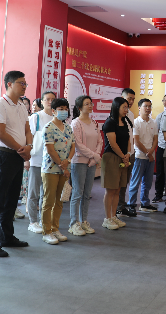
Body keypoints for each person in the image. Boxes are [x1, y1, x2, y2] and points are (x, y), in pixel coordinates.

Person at [0, 71, 32, 258]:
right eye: (21, 83)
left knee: (12, 199)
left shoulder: (21, 105)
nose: (24, 86)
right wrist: (22, 149)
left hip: (18, 155)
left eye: (25, 83)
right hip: (4, 155)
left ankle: (7, 237)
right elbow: (0, 133)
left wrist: (28, 146)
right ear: (9, 84)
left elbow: (27, 130)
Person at [41, 98, 75, 245]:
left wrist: (68, 161)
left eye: (66, 109)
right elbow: (50, 150)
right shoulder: (48, 127)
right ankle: (46, 231)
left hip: (65, 168)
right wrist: (62, 165)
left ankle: (55, 228)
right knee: (49, 201)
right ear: (54, 111)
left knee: (59, 201)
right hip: (51, 169)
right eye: (61, 109)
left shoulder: (68, 127)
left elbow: (73, 146)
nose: (64, 111)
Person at [69, 95, 101, 236]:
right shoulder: (75, 123)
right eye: (87, 104)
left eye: (91, 103)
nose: (90, 105)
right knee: (77, 193)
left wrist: (95, 157)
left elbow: (100, 141)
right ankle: (73, 223)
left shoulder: (94, 123)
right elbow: (78, 144)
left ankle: (84, 221)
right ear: (79, 107)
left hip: (91, 162)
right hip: (79, 162)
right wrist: (93, 155)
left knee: (87, 194)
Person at [100, 97, 132, 230]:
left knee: (118, 189)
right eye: (124, 107)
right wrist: (123, 157)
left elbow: (128, 140)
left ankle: (114, 216)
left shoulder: (125, 122)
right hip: (111, 158)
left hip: (123, 158)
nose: (126, 110)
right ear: (116, 107)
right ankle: (107, 218)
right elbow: (112, 144)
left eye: (127, 107)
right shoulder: (110, 123)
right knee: (110, 189)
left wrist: (128, 154)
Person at [26, 91, 56, 234]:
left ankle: (45, 221)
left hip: (52, 162)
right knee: (33, 192)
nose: (50, 101)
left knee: (47, 194)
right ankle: (33, 221)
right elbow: (29, 137)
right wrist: (27, 159)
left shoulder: (57, 118)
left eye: (52, 99)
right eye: (47, 99)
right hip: (37, 160)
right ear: (42, 102)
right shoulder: (36, 117)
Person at [128, 98, 158, 213]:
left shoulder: (153, 122)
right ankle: (131, 204)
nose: (148, 108)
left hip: (150, 157)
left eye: (150, 106)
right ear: (139, 108)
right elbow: (136, 141)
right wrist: (147, 153)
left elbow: (155, 139)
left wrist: (151, 152)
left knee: (148, 182)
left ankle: (145, 203)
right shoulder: (135, 122)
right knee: (135, 182)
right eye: (145, 106)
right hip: (139, 156)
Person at [117, 88, 136, 217]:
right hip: (120, 153)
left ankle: (121, 206)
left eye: (133, 99)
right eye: (129, 98)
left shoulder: (131, 114)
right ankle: (116, 208)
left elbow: (131, 135)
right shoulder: (115, 114)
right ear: (122, 97)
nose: (131, 101)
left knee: (125, 181)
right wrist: (123, 154)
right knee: (117, 182)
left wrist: (130, 152)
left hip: (130, 152)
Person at [152, 94, 166, 204]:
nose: (165, 102)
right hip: (162, 147)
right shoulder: (160, 116)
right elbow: (156, 132)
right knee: (160, 172)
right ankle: (158, 194)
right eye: (163, 100)